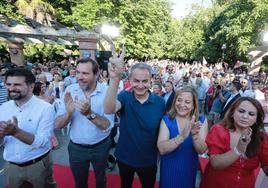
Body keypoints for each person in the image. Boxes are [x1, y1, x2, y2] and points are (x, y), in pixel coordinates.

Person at [104, 50, 166, 188]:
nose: (140, 85)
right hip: (125, 158)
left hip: (149, 160)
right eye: (136, 81)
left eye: (144, 81)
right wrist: (114, 79)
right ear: (130, 81)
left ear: (151, 81)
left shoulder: (160, 102)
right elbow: (108, 109)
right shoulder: (124, 97)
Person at [55, 58, 114, 188]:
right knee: (80, 182)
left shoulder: (107, 92)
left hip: (101, 146)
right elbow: (58, 125)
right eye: (77, 72)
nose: (79, 77)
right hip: (76, 148)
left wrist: (89, 114)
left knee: (101, 179)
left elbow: (108, 125)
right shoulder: (70, 90)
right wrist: (69, 114)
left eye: (85, 73)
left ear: (97, 74)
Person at [0, 68, 56, 188]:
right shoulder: (4, 107)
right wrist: (2, 134)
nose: (11, 88)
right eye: (8, 84)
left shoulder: (45, 108)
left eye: (17, 84)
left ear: (31, 86)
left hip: (38, 165)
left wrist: (16, 132)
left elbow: (42, 142)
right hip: (11, 166)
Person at [200, 97, 268, 188]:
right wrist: (238, 150)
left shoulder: (261, 137)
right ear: (232, 113)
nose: (245, 116)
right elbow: (215, 164)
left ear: (256, 119)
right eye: (241, 111)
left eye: (251, 114)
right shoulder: (219, 130)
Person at [157, 86, 208, 188]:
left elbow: (202, 150)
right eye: (179, 100)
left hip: (188, 170)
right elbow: (161, 149)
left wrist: (194, 136)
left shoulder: (201, 120)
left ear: (193, 105)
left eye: (187, 102)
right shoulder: (167, 120)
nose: (182, 105)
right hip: (168, 170)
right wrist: (181, 137)